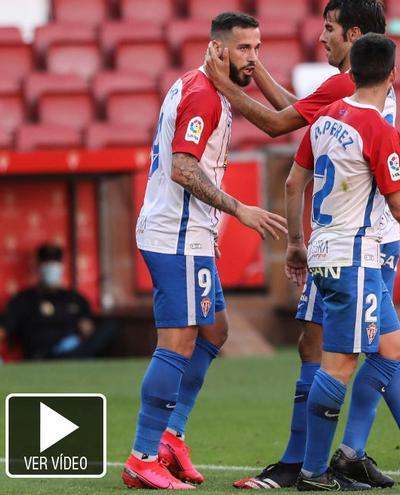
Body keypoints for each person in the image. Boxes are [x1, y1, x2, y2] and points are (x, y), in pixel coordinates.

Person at [204, 1, 400, 489]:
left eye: (328, 29)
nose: (321, 38)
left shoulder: (344, 85)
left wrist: (227, 82)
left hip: (358, 243)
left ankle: (322, 459)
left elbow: (279, 123)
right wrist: (255, 66)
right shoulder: (360, 87)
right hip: (360, 239)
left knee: (356, 349)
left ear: (352, 33)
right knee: (362, 343)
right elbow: (294, 111)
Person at [284, 32, 400, 491]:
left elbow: (293, 183)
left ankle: (345, 456)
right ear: (390, 76)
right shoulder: (380, 130)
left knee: (392, 348)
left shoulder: (324, 119)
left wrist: (296, 241)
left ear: (352, 73)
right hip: (355, 258)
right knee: (341, 363)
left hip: (324, 249)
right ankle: (312, 472)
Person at [123, 12, 288, 490]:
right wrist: (241, 209)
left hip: (191, 234)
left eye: (257, 48)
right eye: (244, 49)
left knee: (214, 331)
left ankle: (172, 436)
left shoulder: (203, 86)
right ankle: (142, 455)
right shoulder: (202, 94)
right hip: (176, 236)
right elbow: (182, 168)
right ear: (217, 49)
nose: (253, 59)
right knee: (177, 341)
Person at [4, 244, 114, 360]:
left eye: (55, 263)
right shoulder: (24, 299)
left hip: (73, 350)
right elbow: (6, 327)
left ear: (62, 266)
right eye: (47, 263)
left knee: (110, 326)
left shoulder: (75, 298)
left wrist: (86, 327)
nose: (52, 268)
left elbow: (89, 326)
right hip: (41, 355)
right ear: (38, 266)